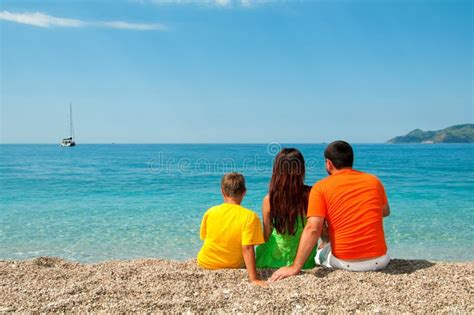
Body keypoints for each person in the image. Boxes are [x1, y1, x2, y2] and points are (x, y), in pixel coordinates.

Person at [270, 141, 390, 281]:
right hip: (380, 260)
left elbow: (313, 229)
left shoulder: (321, 187)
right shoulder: (374, 181)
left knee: (320, 252)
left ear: (328, 163)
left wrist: (294, 267)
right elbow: (385, 211)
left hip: (345, 263)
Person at [197, 172, 266, 286]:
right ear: (244, 192)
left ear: (222, 191)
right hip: (233, 265)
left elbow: (206, 237)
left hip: (206, 262)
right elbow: (247, 248)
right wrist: (254, 279)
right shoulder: (250, 216)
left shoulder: (210, 212)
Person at [256, 148, 317, 269]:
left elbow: (267, 234)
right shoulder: (311, 194)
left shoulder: (269, 199)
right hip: (304, 259)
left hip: (274, 258)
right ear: (301, 169)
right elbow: (318, 229)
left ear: (277, 170)